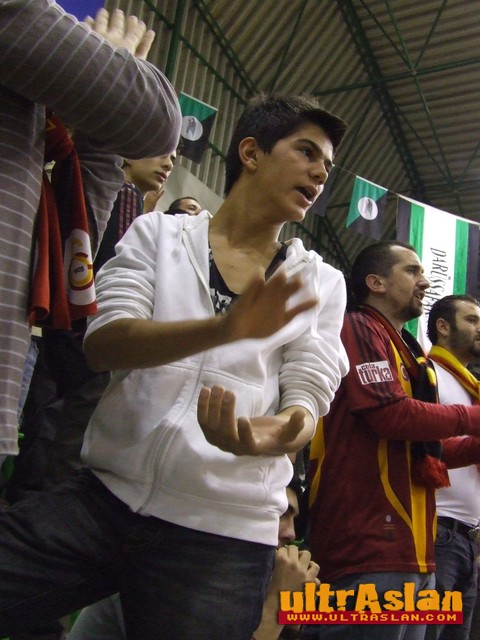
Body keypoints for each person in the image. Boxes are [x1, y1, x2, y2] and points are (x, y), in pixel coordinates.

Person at [0, 93, 349, 640]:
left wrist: (266, 436)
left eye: (327, 165)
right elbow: (104, 343)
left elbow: (308, 399)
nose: (320, 173)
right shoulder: (158, 234)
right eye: (306, 152)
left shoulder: (321, 283)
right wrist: (223, 329)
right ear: (251, 153)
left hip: (224, 532)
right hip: (105, 498)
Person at [0, 2, 181, 464]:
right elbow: (159, 121)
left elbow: (73, 251)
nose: (168, 160)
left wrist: (105, 111)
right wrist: (113, 63)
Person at [305, 241, 480, 640]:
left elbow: (430, 453)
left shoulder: (410, 355)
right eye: (412, 271)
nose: (425, 281)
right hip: (366, 545)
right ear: (376, 283)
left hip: (414, 550)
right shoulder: (357, 326)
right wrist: (474, 418)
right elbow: (390, 414)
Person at [67, 475, 318, 640]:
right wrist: (275, 608)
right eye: (281, 514)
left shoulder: (247, 583)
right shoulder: (170, 571)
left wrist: (290, 624)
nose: (291, 533)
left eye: (294, 519)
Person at [425, 295, 480, 640]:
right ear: (443, 327)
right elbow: (424, 450)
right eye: (472, 320)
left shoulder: (470, 386)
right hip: (437, 533)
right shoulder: (427, 374)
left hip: (468, 539)